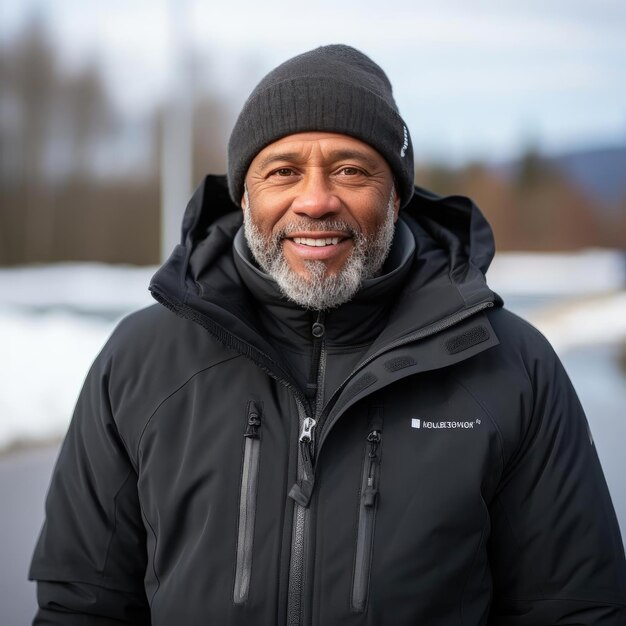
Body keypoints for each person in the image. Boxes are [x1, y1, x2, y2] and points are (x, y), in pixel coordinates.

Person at [30, 44, 626, 625]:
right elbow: (83, 608)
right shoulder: (139, 362)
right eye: (283, 171)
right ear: (244, 195)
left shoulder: (511, 367)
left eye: (350, 169)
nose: (314, 201)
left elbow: (574, 607)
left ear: (396, 194)